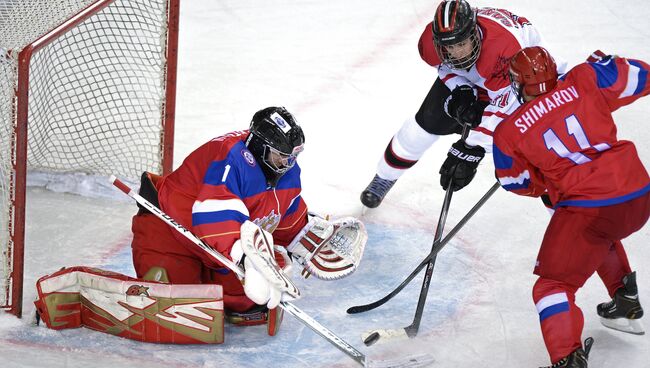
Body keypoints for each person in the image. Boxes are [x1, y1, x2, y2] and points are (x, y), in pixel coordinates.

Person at [131, 106, 366, 336]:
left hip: (214, 249)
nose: (288, 164)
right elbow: (216, 215)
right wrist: (244, 257)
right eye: (282, 157)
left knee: (250, 297)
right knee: (178, 302)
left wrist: (305, 239)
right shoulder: (229, 156)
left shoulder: (286, 171)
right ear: (259, 146)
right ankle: (168, 281)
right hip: (171, 229)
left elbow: (285, 213)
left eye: (293, 157)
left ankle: (222, 287)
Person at [493, 46, 650, 367]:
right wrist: (609, 65)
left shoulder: (509, 131)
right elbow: (643, 76)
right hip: (638, 190)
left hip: (588, 205)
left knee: (552, 286)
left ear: (519, 84)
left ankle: (566, 358)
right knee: (597, 233)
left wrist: (546, 178)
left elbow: (516, 183)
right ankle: (624, 297)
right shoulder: (584, 77)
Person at [360, 0, 568, 207]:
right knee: (424, 124)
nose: (457, 52)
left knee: (540, 152)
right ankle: (384, 177)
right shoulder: (430, 43)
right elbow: (445, 67)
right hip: (484, 78)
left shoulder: (503, 48)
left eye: (461, 44)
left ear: (474, 33)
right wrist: (461, 89)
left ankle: (565, 212)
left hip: (530, 84)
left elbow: (505, 107)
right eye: (449, 46)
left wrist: (470, 151)